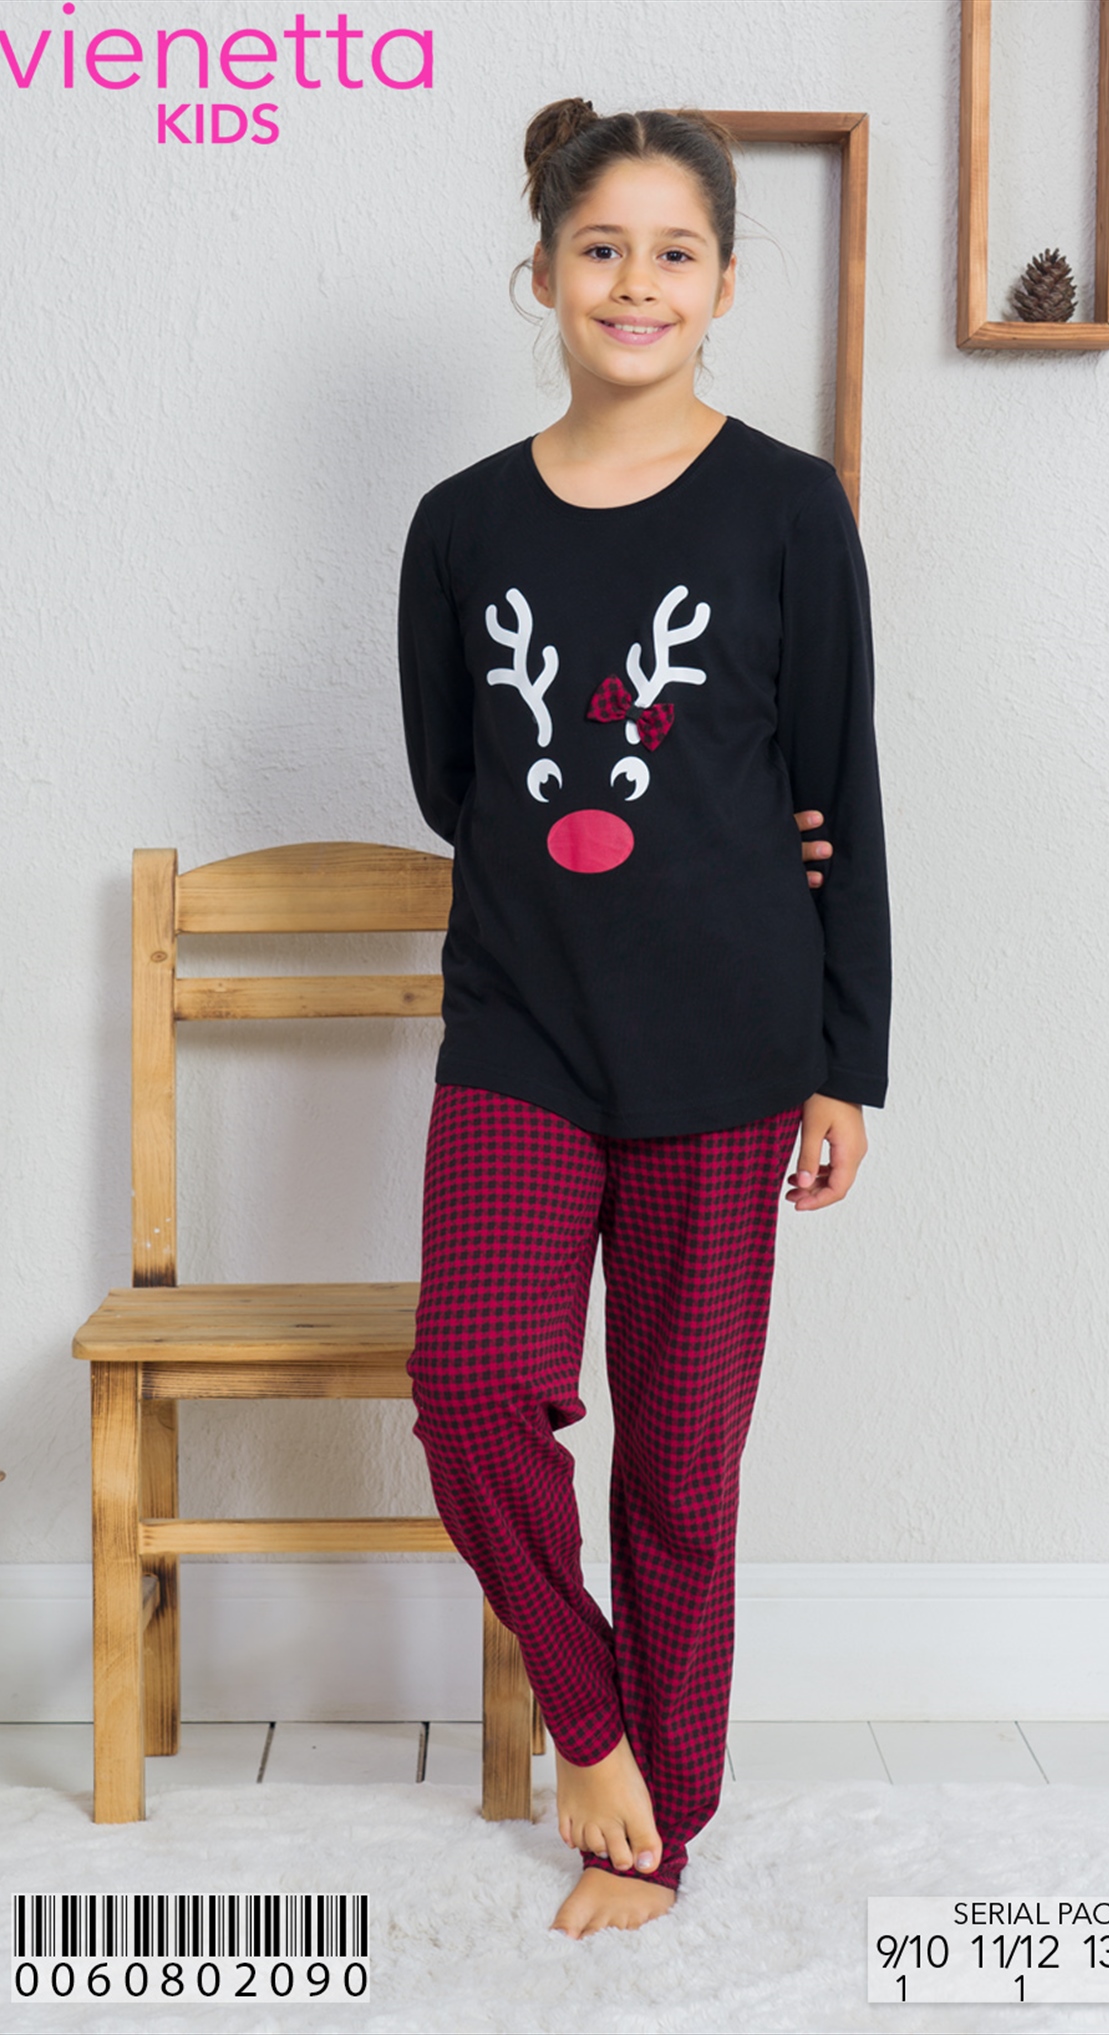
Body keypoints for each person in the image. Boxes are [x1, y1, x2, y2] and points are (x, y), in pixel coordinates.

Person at [396, 97, 892, 1940]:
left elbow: (838, 786)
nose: (635, 282)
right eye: (599, 247)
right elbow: (455, 782)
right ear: (540, 273)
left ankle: (657, 1832)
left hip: (734, 1051)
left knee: (681, 1472)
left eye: (674, 252)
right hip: (522, 1034)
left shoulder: (789, 508)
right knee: (470, 1395)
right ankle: (591, 1729)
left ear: (725, 285)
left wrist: (847, 1059)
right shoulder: (460, 525)